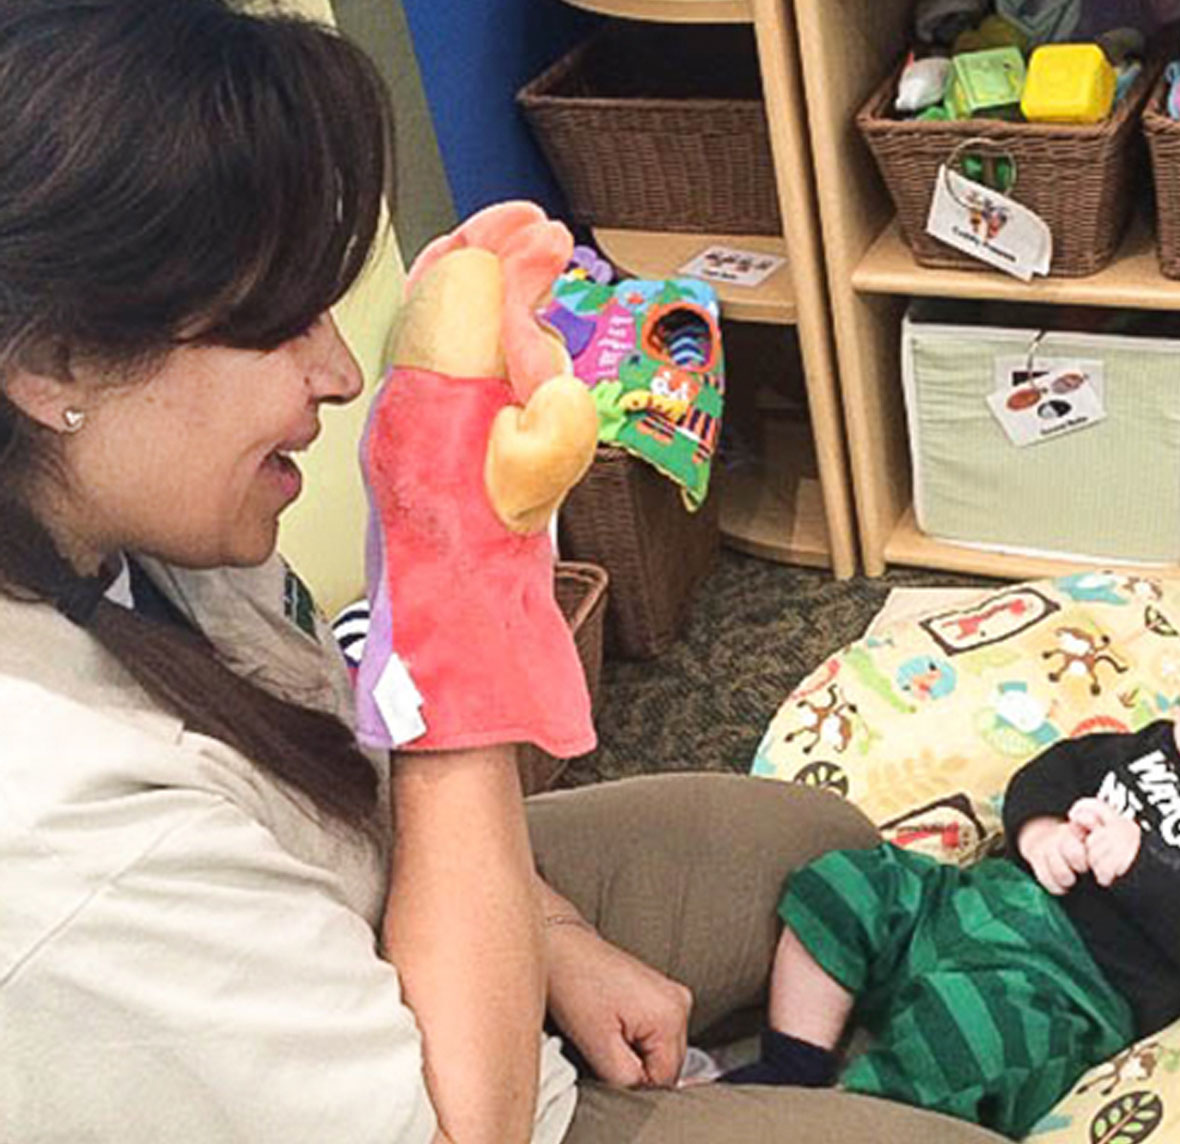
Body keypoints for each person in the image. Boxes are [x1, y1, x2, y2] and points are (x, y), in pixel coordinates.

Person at [0, 3, 1006, 1142]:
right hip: (451, 1106)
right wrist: (456, 625)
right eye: (276, 323)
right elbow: (462, 1126)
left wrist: (555, 938)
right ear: (55, 358)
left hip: (364, 907)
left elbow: (354, 785)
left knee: (809, 844)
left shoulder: (120, 529)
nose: (336, 373)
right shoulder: (61, 832)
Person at [722, 614, 1180, 1137]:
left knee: (975, 1042)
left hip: (1062, 990)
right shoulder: (1144, 748)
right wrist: (1040, 829)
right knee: (845, 883)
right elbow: (1049, 773)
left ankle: (839, 1124)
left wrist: (1144, 866)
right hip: (964, 901)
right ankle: (793, 1062)